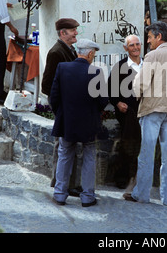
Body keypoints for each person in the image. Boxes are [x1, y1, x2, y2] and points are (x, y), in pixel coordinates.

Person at [124, 21, 167, 206]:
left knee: (146, 155)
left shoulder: (153, 56)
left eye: (150, 37)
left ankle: (142, 195)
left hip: (151, 110)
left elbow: (140, 84)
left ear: (159, 36)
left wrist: (138, 97)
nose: (148, 41)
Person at [51, 39, 108, 207]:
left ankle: (60, 194)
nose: (93, 57)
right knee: (89, 157)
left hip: (67, 122)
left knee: (64, 155)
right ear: (90, 54)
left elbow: (54, 97)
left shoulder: (62, 68)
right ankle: (87, 196)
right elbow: (103, 101)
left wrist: (61, 114)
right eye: (94, 54)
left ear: (78, 52)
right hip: (89, 123)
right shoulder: (96, 72)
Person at [42, 18, 82, 196]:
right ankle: (62, 183)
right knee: (64, 144)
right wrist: (60, 105)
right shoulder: (56, 52)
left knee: (68, 143)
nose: (76, 33)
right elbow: (47, 85)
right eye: (73, 30)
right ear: (62, 33)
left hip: (69, 105)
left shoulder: (69, 50)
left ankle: (64, 182)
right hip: (64, 106)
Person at [108, 34, 143, 191]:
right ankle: (122, 177)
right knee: (128, 143)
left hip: (145, 111)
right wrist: (117, 103)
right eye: (131, 45)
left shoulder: (147, 65)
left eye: (137, 44)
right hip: (127, 112)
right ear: (125, 48)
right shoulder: (120, 67)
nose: (135, 48)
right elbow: (111, 89)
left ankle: (140, 176)